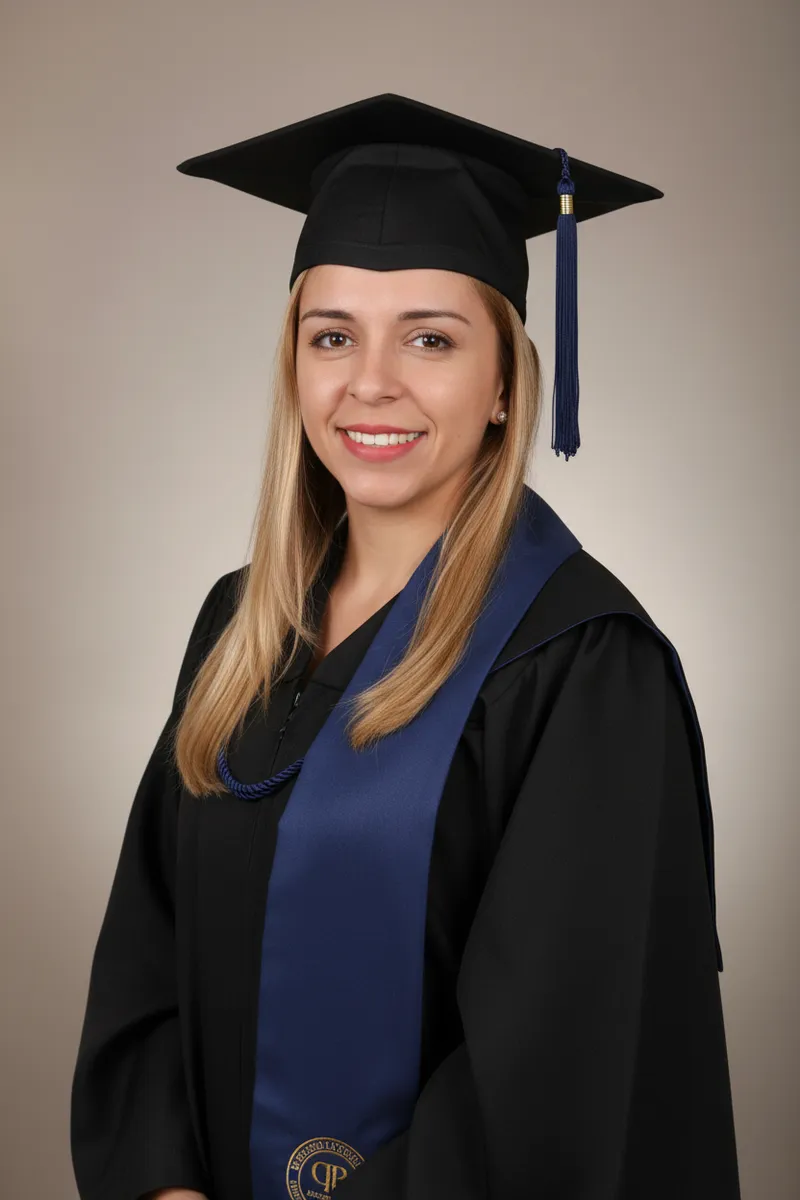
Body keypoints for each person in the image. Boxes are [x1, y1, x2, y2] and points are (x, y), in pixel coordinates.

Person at [70, 94, 741, 1200]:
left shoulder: (580, 667)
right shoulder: (237, 630)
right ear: (293, 365)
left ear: (504, 384)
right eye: (331, 335)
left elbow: (557, 1078)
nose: (369, 382)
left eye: (430, 338)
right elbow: (146, 960)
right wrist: (163, 1185)